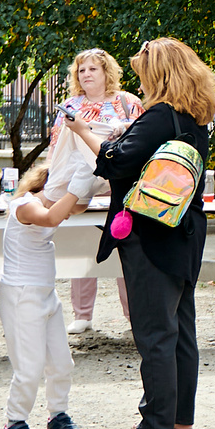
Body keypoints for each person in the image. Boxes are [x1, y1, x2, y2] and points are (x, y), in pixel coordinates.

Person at [93, 38, 215, 429]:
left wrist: (97, 138)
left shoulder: (159, 115)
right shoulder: (193, 118)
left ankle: (153, 425)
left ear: (159, 74)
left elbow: (116, 162)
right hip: (186, 229)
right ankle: (179, 417)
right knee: (181, 325)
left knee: (153, 329)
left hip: (151, 231)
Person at [54, 48, 144, 337]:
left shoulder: (127, 102)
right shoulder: (71, 106)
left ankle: (134, 316)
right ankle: (82, 315)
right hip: (81, 190)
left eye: (93, 69)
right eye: (81, 70)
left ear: (107, 72)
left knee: (124, 253)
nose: (86, 74)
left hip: (119, 187)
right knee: (83, 251)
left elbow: (142, 138)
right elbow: (57, 147)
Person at [0, 164, 86, 429]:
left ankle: (57, 416)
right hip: (22, 295)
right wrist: (78, 183)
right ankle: (14, 422)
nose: (70, 211)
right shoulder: (25, 205)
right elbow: (50, 217)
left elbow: (75, 206)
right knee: (29, 367)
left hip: (46, 294)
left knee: (61, 362)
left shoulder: (48, 203)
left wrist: (91, 177)